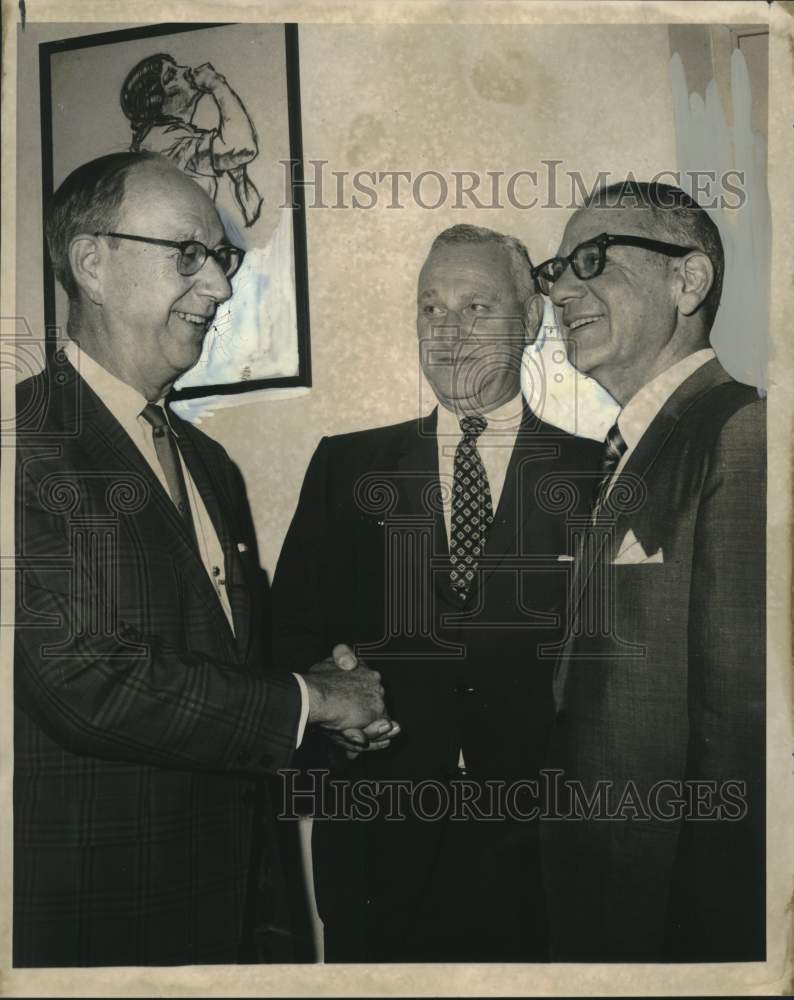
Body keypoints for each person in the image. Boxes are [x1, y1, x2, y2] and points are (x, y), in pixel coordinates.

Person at [14, 151, 389, 967]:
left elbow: (234, 667)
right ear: (92, 264)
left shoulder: (208, 462)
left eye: (220, 260)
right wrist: (311, 700)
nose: (219, 288)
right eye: (188, 254)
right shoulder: (25, 441)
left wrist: (323, 705)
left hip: (245, 913)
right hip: (106, 921)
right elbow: (80, 677)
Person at [271, 224, 601, 962]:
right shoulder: (344, 467)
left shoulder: (594, 475)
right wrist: (332, 703)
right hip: (378, 850)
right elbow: (285, 634)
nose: (448, 332)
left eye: (477, 307)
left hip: (539, 853)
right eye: (431, 309)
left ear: (532, 319)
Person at [535, 181, 765, 961]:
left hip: (677, 915)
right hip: (605, 891)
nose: (562, 290)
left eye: (592, 260)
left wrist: (715, 950)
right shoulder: (631, 446)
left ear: (688, 282)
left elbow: (742, 731)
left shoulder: (739, 433)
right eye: (556, 269)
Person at [121, 54, 263, 227]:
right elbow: (244, 148)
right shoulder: (161, 143)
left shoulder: (182, 137)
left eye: (177, 67)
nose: (185, 70)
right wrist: (217, 84)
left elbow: (250, 211)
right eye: (171, 76)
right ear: (157, 100)